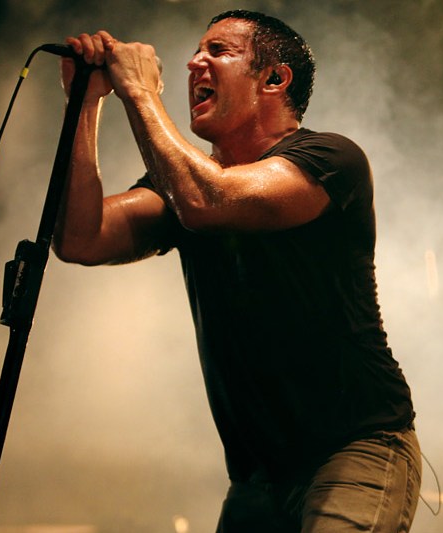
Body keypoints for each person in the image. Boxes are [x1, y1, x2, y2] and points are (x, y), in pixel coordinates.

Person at [53, 10, 420, 532]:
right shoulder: (183, 186)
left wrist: (138, 91)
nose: (193, 62)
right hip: (256, 477)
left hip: (354, 448)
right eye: (197, 50)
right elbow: (80, 238)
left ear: (274, 79)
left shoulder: (330, 158)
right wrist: (83, 105)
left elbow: (210, 201)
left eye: (218, 51)